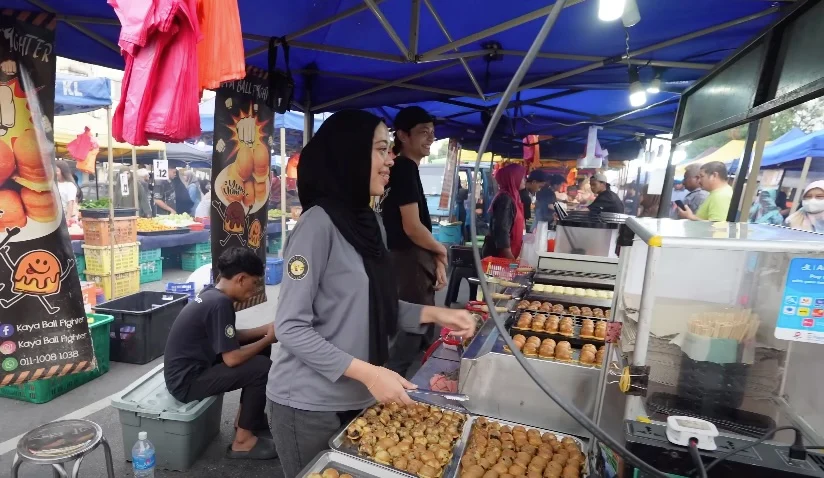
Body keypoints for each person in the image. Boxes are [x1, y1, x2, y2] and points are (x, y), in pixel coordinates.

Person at [266, 110, 476, 477]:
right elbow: (291, 328)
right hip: (308, 404)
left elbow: (373, 306)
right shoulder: (317, 225)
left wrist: (437, 313)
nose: (391, 159)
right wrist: (372, 374)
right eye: (381, 149)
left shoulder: (370, 223)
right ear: (350, 155)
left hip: (359, 396)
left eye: (390, 150)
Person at [164, 247, 277, 459]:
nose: (255, 290)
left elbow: (229, 336)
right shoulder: (221, 303)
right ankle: (242, 442)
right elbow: (232, 359)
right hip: (186, 383)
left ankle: (246, 419)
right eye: (254, 283)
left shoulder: (211, 294)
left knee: (260, 347)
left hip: (193, 368)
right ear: (241, 279)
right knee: (262, 368)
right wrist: (268, 338)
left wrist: (265, 330)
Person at [380, 106, 445, 377]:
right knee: (410, 335)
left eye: (432, 132)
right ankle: (389, 391)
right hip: (408, 261)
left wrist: (436, 256)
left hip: (404, 260)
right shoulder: (404, 168)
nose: (430, 138)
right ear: (403, 135)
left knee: (414, 333)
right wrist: (441, 251)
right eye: (423, 132)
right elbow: (412, 226)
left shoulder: (402, 169)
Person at [481, 163, 526, 259]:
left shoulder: (513, 197)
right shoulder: (505, 199)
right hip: (500, 257)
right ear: (512, 178)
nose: (524, 180)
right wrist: (510, 258)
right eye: (521, 177)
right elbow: (502, 230)